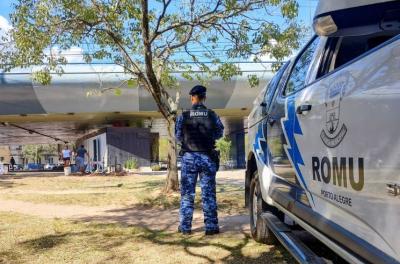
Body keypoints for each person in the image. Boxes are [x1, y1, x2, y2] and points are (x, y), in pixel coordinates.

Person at [175, 85, 224, 235]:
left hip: (189, 158)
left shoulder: (184, 116)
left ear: (192, 98)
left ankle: (185, 227)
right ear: (204, 97)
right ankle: (211, 227)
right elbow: (219, 133)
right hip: (207, 158)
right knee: (208, 194)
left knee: (187, 194)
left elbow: (177, 136)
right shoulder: (212, 115)